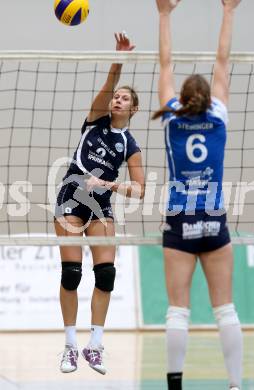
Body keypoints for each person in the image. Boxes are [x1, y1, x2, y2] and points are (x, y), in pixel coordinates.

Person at [153, 1, 243, 389]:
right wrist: (228, 11)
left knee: (178, 311)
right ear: (207, 98)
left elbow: (165, 66)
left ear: (183, 99)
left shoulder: (171, 117)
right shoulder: (219, 115)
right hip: (214, 219)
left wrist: (164, 15)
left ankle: (175, 384)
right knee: (225, 309)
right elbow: (222, 61)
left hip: (180, 220)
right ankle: (236, 384)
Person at [54, 32, 145, 375]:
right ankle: (69, 346)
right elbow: (109, 82)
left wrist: (108, 184)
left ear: (133, 109)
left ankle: (95, 345)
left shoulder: (130, 145)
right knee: (71, 274)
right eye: (117, 97)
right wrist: (119, 58)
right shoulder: (95, 119)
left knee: (106, 274)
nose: (118, 100)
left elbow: (140, 191)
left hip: (101, 203)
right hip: (71, 198)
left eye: (125, 99)